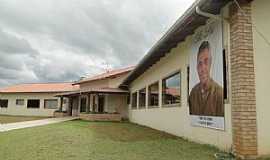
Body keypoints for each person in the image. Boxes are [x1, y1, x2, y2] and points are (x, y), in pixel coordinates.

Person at [189, 41, 224, 117]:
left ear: (211, 63)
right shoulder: (193, 94)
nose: (203, 68)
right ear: (196, 67)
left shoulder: (219, 94)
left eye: (206, 62)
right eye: (200, 63)